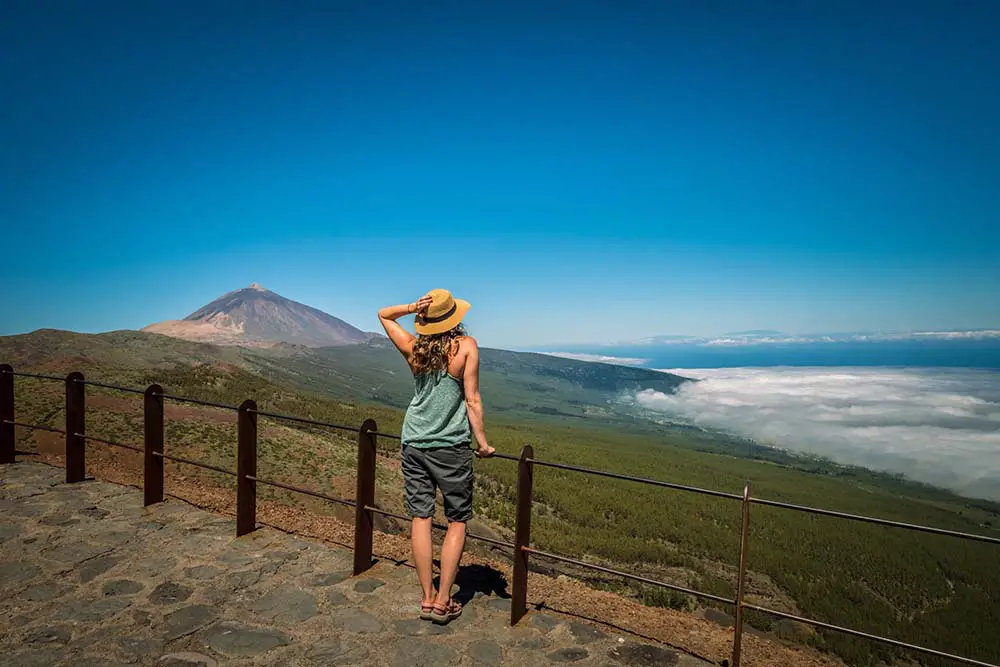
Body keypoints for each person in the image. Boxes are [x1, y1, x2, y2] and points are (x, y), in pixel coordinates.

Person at [377, 288, 495, 625]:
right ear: (455, 317)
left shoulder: (415, 348)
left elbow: (384, 314)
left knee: (421, 518)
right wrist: (483, 443)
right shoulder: (467, 348)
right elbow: (472, 400)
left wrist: (412, 308)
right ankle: (444, 601)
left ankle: (427, 598)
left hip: (413, 440)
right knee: (457, 520)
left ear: (426, 319)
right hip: (450, 446)